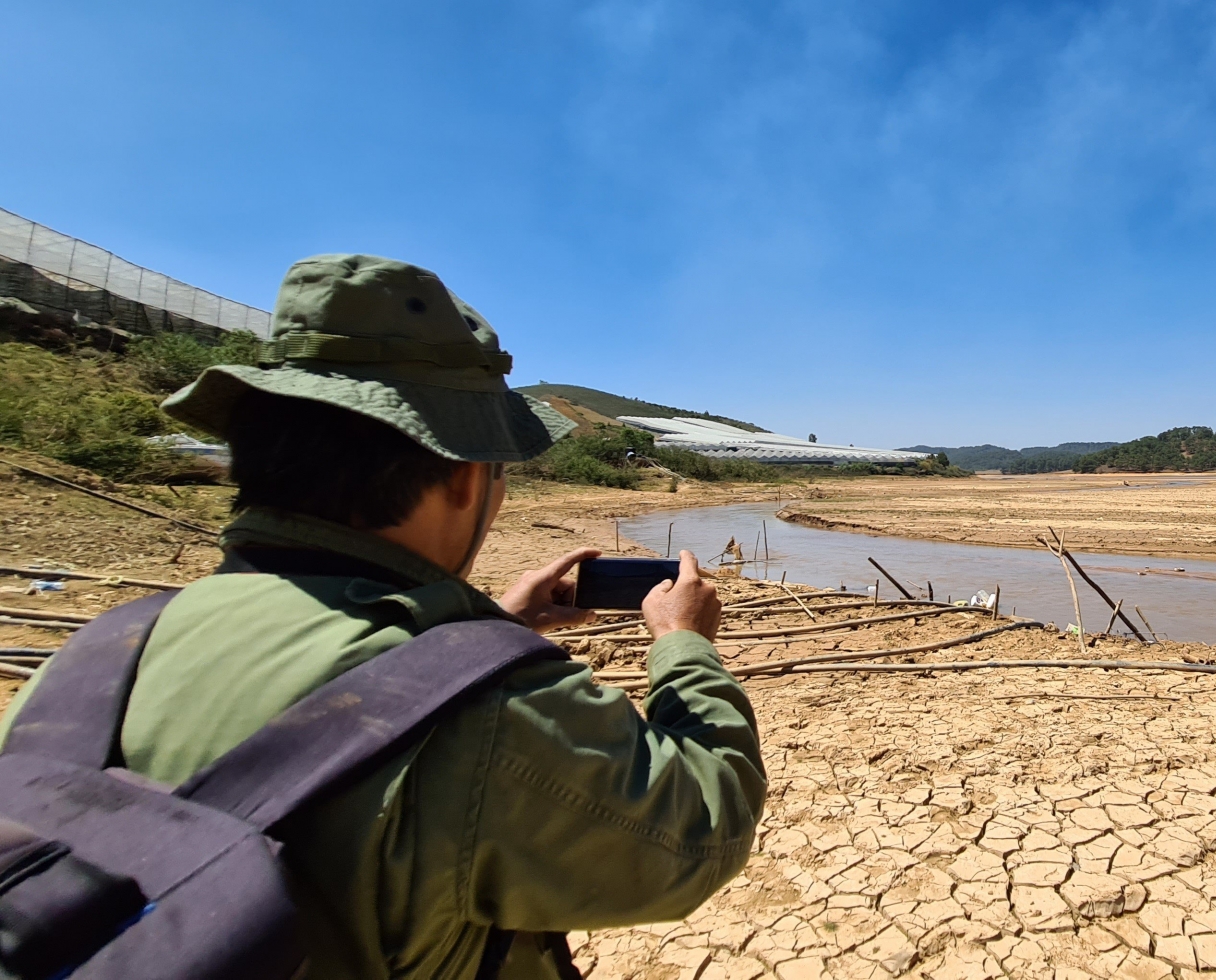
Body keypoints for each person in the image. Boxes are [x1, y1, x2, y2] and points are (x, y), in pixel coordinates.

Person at [0, 255, 766, 979]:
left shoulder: (99, 655)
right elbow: (702, 826)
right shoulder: (488, 720)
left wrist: (481, 631)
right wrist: (683, 645)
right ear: (467, 479)